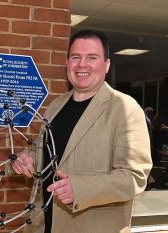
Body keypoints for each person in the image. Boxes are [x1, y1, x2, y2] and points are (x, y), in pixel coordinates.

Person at [12, 30, 152, 233]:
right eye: (75, 57)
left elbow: (134, 177)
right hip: (43, 225)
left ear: (107, 65)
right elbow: (45, 152)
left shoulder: (124, 108)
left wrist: (80, 189)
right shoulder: (55, 106)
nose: (82, 64)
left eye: (92, 57)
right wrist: (29, 158)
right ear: (67, 63)